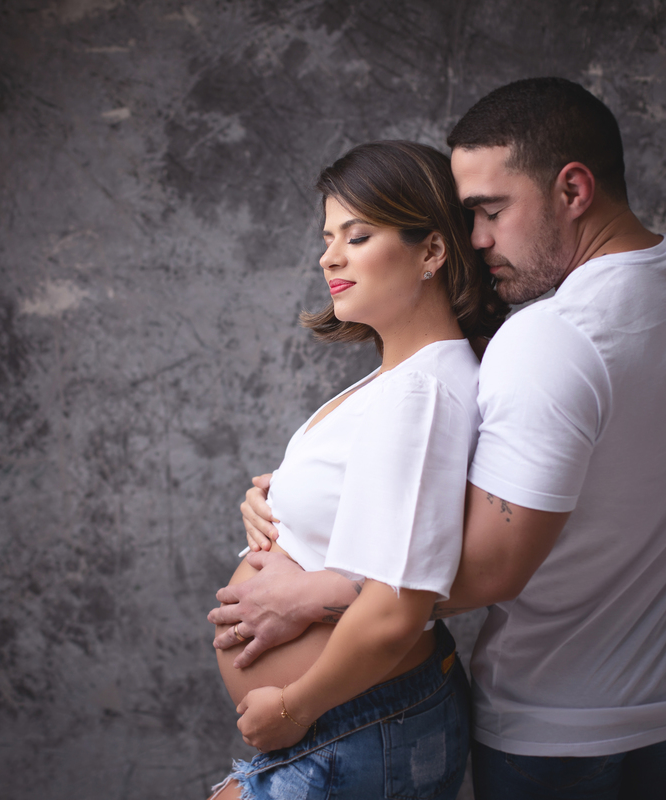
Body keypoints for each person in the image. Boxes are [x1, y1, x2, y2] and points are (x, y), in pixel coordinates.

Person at [211, 78, 666, 800]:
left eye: (491, 211)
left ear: (573, 190)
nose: (477, 238)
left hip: (562, 721)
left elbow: (492, 567)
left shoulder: (549, 339)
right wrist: (296, 503)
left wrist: (313, 594)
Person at [207, 140, 505, 800]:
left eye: (358, 235)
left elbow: (399, 607)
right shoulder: (402, 381)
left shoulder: (420, 392)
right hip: (351, 724)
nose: (329, 257)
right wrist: (275, 503)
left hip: (350, 725)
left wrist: (293, 709)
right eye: (328, 238)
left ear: (431, 251)